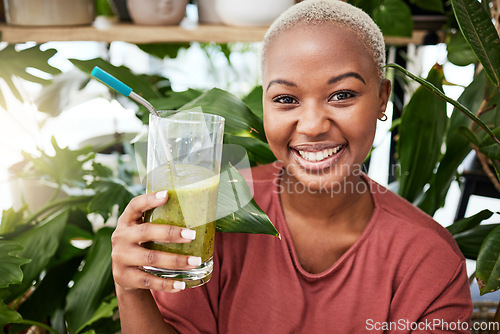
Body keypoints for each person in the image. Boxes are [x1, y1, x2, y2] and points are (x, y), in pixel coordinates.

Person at [111, 0, 473, 333]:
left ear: (382, 98)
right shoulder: (214, 211)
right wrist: (131, 290)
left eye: (342, 95)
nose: (313, 125)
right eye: (286, 99)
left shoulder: (429, 263)